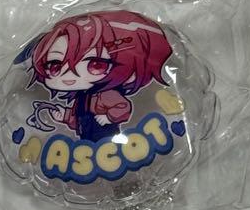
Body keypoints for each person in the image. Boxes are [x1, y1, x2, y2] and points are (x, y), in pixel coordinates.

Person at [25, 11, 173, 142]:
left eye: (95, 65)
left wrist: (108, 117)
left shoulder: (107, 94)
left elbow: (123, 107)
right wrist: (64, 116)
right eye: (55, 66)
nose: (70, 74)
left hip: (105, 137)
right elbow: (79, 118)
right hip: (86, 142)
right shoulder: (82, 97)